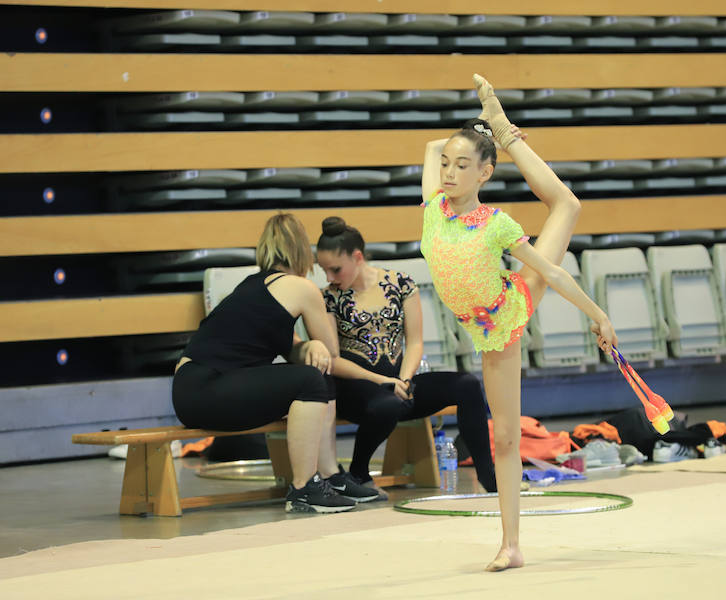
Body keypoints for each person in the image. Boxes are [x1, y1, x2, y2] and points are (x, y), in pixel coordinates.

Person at [420, 74, 619, 572]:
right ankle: (499, 128)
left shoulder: (496, 223)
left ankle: (511, 545)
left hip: (510, 312)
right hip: (483, 328)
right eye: (446, 164)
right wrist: (473, 132)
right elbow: (431, 146)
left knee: (506, 437)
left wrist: (598, 315)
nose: (448, 172)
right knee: (568, 204)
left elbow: (551, 271)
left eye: (463, 165)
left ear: (486, 174)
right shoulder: (432, 211)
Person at [171, 213, 379, 513]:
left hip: (192, 390)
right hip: (208, 387)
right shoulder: (300, 287)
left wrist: (309, 346)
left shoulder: (252, 286)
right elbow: (332, 351)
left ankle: (332, 476)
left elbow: (293, 348)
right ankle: (303, 488)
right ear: (301, 252)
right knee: (311, 379)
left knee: (317, 376)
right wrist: (318, 342)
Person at [316, 216, 497, 496]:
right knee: (387, 403)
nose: (329, 278)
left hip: (399, 383)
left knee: (467, 384)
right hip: (354, 388)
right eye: (324, 270)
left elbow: (415, 342)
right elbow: (333, 358)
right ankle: (358, 473)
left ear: (357, 257)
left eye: (335, 269)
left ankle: (489, 476)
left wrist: (404, 378)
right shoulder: (327, 298)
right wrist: (381, 380)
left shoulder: (400, 283)